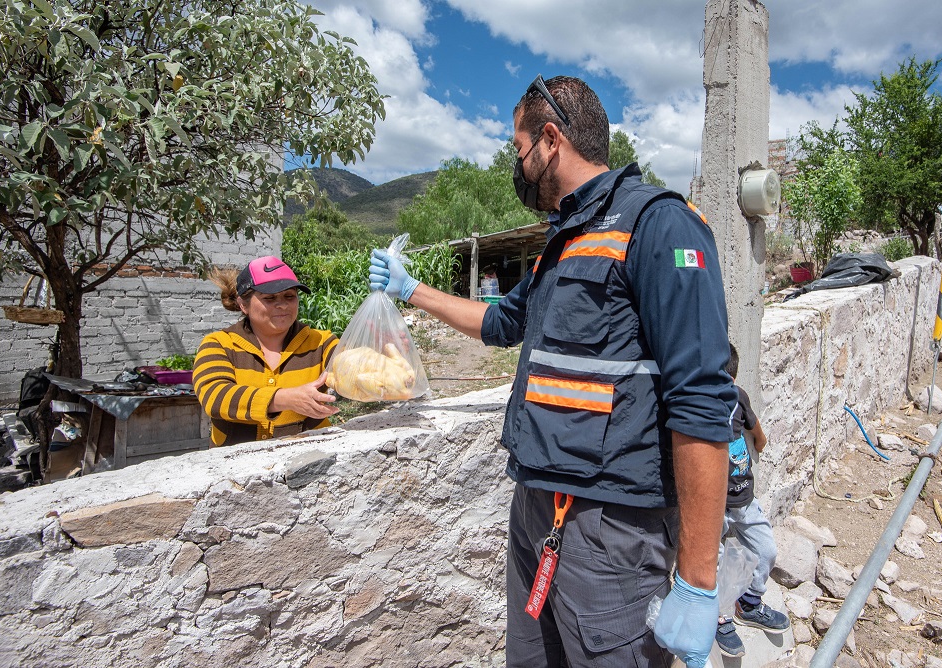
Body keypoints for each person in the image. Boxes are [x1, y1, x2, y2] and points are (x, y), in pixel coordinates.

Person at [369, 75, 737, 667]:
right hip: (537, 506)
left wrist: (697, 579)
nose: (519, 169)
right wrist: (412, 290)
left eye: (519, 153)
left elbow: (700, 400)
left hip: (610, 528)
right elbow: (502, 323)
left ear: (550, 139)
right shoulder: (564, 238)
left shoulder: (659, 224)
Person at [193, 256, 339, 447]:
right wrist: (284, 399)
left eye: (290, 296)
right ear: (243, 304)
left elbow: (354, 365)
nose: (282, 305)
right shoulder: (219, 344)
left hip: (307, 462)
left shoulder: (321, 342)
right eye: (269, 298)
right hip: (233, 468)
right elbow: (215, 397)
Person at [714, 345, 790, 657]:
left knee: (766, 549)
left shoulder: (738, 397)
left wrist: (758, 442)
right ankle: (719, 617)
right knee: (714, 560)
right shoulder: (697, 403)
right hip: (714, 504)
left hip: (743, 497)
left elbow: (757, 431)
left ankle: (749, 603)